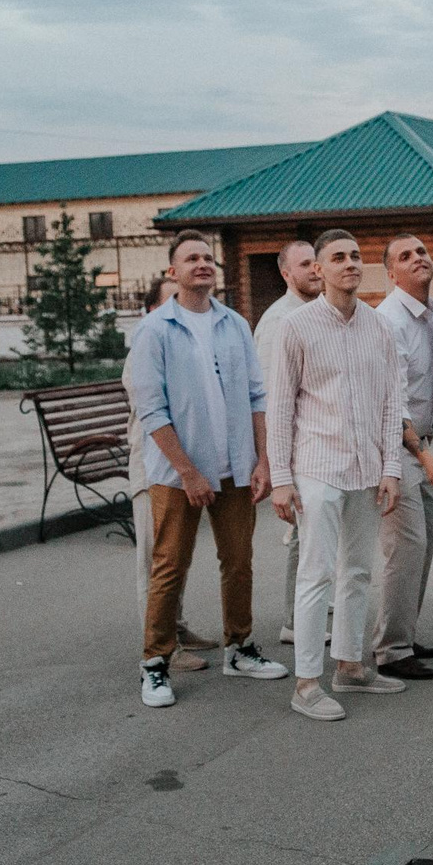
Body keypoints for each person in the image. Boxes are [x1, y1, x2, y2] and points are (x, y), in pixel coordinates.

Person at [127, 230, 287, 709]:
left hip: (235, 467)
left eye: (207, 258)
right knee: (170, 565)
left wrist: (262, 460)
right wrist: (188, 471)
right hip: (176, 473)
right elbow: (151, 410)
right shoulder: (154, 329)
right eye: (191, 258)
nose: (202, 264)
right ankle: (155, 663)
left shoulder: (234, 323)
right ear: (172, 271)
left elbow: (257, 396)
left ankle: (240, 647)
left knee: (238, 561)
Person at [267, 229, 409, 721]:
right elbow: (280, 407)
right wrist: (280, 478)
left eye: (355, 256)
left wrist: (391, 467)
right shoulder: (297, 326)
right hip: (317, 468)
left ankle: (350, 666)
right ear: (318, 269)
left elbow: (391, 403)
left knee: (358, 571)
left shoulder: (378, 326)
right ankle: (307, 683)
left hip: (366, 469)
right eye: (338, 257)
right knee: (316, 574)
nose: (349, 264)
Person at [122, 276, 217, 670]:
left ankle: (175, 627)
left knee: (177, 555)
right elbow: (153, 409)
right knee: (156, 559)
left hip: (182, 463)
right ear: (152, 311)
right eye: (170, 302)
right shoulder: (146, 346)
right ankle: (162, 648)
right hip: (153, 466)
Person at [372, 234, 433, 680]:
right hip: (395, 449)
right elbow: (393, 401)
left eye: (421, 251)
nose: (418, 258)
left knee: (424, 545)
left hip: (418, 444)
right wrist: (423, 456)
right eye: (405, 256)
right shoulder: (390, 320)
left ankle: (403, 632)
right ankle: (391, 650)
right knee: (405, 548)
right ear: (391, 274)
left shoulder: (428, 314)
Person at [253, 240, 322, 646]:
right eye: (305, 264)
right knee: (303, 536)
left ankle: (312, 610)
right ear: (285, 273)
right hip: (295, 449)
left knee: (316, 536)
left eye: (316, 262)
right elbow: (268, 399)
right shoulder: (279, 321)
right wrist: (274, 465)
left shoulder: (317, 313)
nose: (314, 270)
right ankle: (295, 622)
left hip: (319, 445)